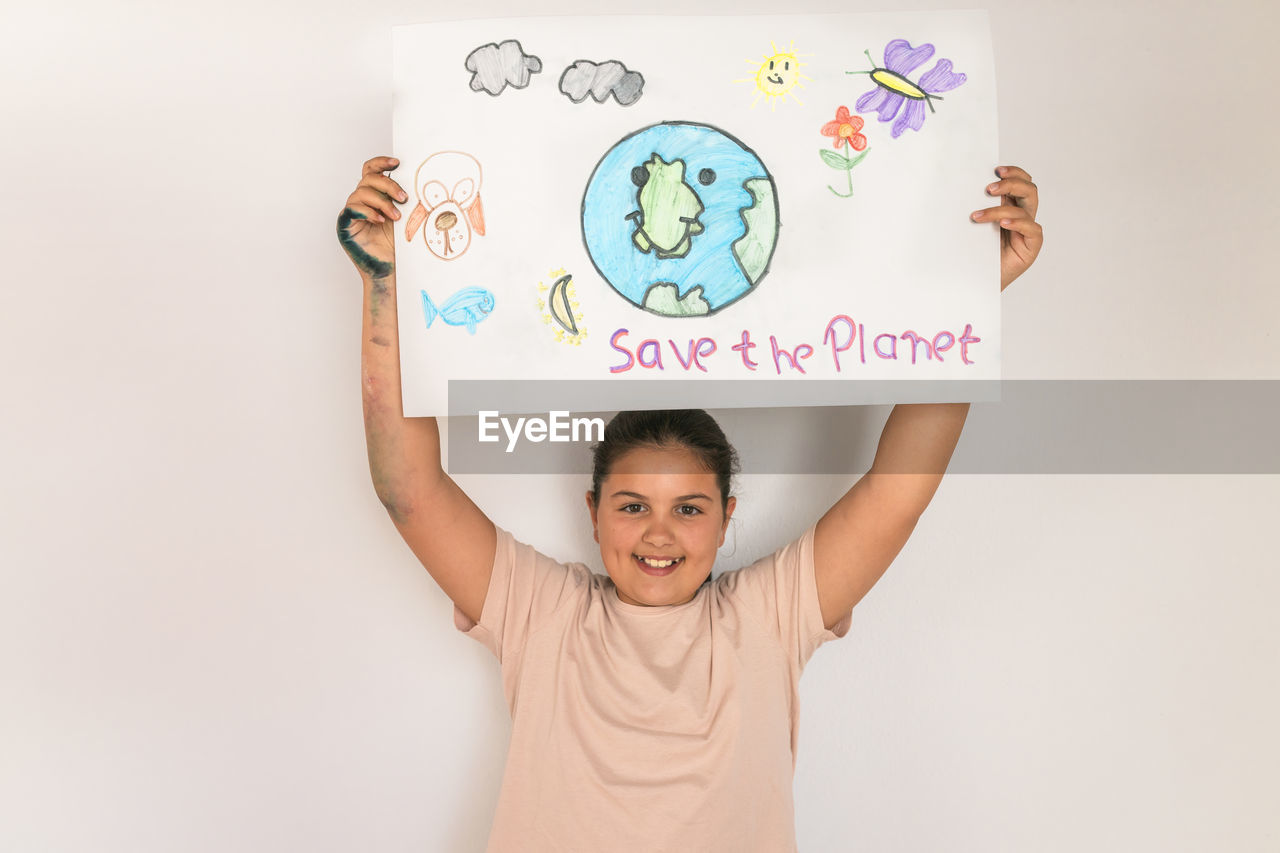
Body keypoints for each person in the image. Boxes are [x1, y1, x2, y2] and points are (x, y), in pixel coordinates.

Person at [337, 156, 1041, 851]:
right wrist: (384, 287)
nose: (659, 534)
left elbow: (898, 494)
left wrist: (970, 303)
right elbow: (411, 493)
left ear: (727, 516)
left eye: (690, 508)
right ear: (593, 509)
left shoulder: (769, 615)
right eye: (633, 505)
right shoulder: (542, 613)